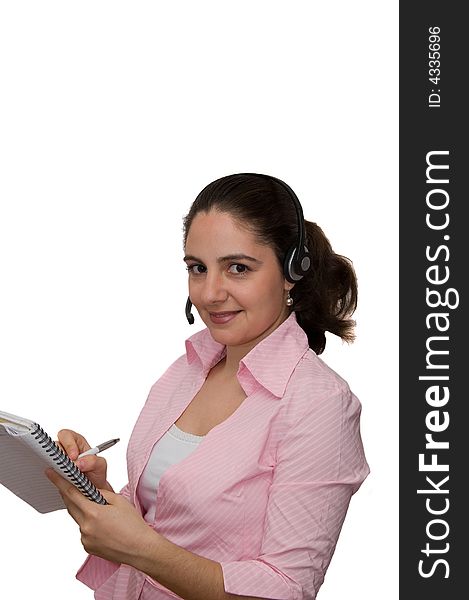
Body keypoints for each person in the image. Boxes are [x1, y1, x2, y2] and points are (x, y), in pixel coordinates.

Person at [47, 173, 370, 600]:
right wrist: (101, 494)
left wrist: (141, 549)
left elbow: (288, 588)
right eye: (198, 268)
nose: (210, 292)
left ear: (292, 272)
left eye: (238, 268)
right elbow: (165, 512)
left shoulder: (320, 405)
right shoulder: (187, 368)